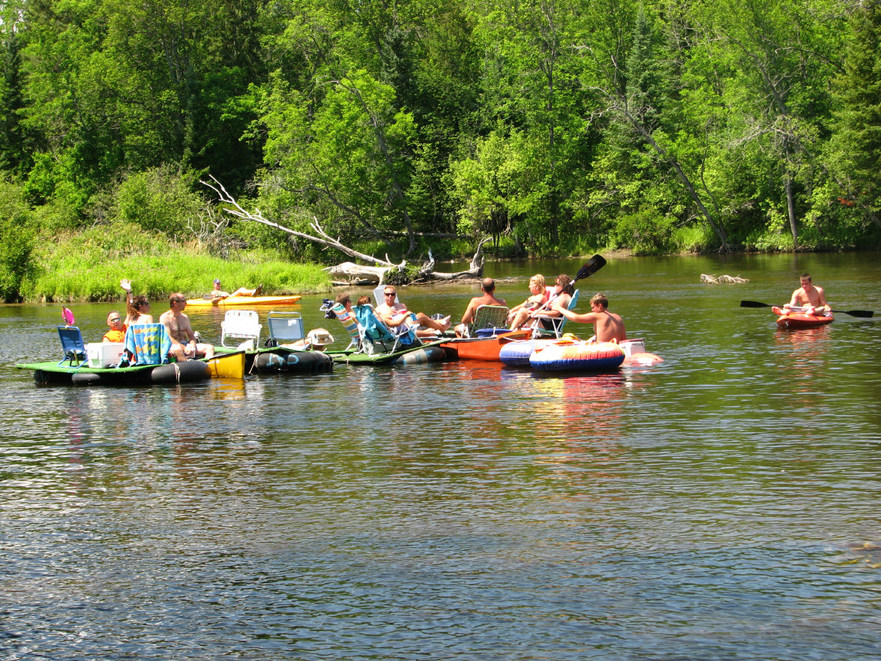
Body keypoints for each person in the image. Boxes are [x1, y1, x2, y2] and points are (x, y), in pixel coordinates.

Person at [375, 285, 451, 337]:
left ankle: (440, 324)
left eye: (392, 294)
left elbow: (410, 317)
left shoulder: (401, 305)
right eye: (387, 294)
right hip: (398, 328)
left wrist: (404, 313)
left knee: (419, 318)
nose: (390, 296)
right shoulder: (379, 309)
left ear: (395, 295)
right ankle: (441, 325)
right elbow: (379, 323)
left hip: (408, 323)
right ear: (384, 296)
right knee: (421, 316)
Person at [552, 292, 626, 343]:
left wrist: (559, 308)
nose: (592, 310)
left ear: (600, 306)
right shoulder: (618, 318)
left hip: (602, 351)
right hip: (616, 352)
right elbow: (623, 339)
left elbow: (576, 318)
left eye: (593, 307)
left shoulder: (598, 315)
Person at [160, 293, 215, 360]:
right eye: (183, 301)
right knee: (178, 349)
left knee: (210, 348)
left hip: (186, 344)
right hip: (173, 346)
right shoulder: (165, 318)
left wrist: (192, 346)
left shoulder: (185, 317)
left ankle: (207, 367)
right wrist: (184, 348)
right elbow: (168, 338)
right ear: (175, 303)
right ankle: (188, 365)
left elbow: (191, 335)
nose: (186, 303)